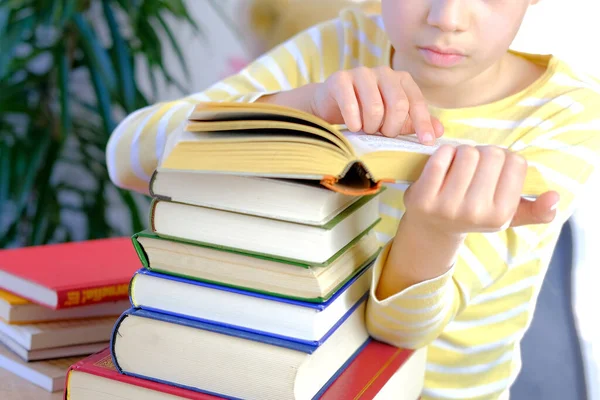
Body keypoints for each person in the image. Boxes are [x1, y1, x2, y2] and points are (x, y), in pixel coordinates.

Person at [106, 1, 600, 398]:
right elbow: (127, 156)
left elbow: (400, 332)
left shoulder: (567, 114)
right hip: (294, 368)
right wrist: (301, 104)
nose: (447, 18)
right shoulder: (340, 44)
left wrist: (434, 231)